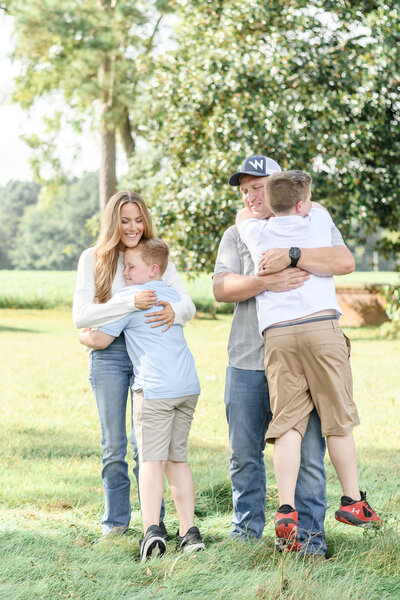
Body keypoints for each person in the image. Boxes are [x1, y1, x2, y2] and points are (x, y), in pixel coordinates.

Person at [213, 155, 356, 556]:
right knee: (245, 454)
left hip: (300, 363)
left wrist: (293, 255)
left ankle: (308, 539)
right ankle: (247, 533)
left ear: (276, 189)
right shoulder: (235, 234)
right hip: (247, 361)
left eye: (257, 187)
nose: (251, 196)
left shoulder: (309, 225)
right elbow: (222, 289)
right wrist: (264, 281)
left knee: (309, 453)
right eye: (244, 191)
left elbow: (343, 261)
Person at [236, 170, 381, 546]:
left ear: (267, 200)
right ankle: (352, 500)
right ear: (302, 204)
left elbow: (244, 216)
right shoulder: (317, 219)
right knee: (338, 418)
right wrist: (297, 204)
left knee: (287, 423)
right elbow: (312, 208)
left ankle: (286, 508)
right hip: (320, 327)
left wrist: (270, 210)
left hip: (278, 335)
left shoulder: (256, 233)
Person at [73, 190, 196, 537]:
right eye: (125, 220)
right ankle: (115, 524)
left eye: (138, 219)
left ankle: (152, 524)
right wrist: (128, 304)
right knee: (114, 445)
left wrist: (175, 311)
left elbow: (186, 303)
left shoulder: (154, 256)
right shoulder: (93, 258)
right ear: (114, 221)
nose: (133, 227)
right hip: (110, 353)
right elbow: (81, 315)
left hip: (149, 353)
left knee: (148, 447)